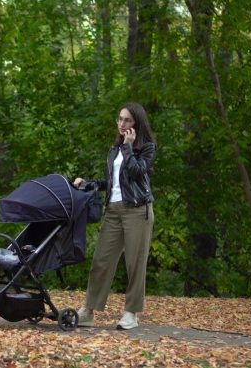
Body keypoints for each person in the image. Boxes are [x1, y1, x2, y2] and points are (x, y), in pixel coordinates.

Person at [72, 102, 155, 330]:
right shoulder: (114, 150)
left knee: (134, 264)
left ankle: (131, 313)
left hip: (137, 211)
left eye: (127, 120)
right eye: (119, 119)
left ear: (136, 123)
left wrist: (128, 147)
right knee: (101, 261)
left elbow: (137, 172)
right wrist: (87, 183)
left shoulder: (146, 147)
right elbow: (112, 183)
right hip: (113, 211)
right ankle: (88, 311)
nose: (122, 124)